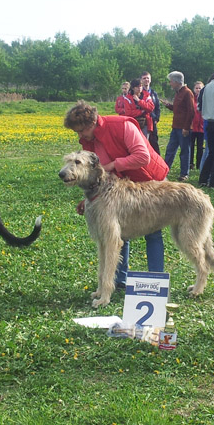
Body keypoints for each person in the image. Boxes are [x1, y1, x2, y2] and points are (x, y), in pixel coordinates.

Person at [63, 100, 168, 288]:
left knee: (153, 231)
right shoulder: (88, 141)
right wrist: (90, 199)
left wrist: (112, 165)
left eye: (81, 131)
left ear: (91, 123)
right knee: (118, 231)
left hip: (150, 180)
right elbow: (95, 175)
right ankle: (120, 280)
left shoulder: (122, 125)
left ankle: (155, 282)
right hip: (121, 186)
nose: (79, 135)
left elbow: (143, 156)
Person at [162, 71, 195, 181]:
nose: (170, 84)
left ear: (176, 82)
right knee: (170, 150)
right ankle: (164, 171)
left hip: (183, 128)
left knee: (184, 151)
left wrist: (186, 127)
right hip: (175, 127)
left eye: (171, 82)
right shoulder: (178, 93)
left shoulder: (187, 93)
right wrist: (169, 106)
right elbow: (179, 109)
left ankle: (184, 173)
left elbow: (191, 111)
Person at [140, 71, 162, 154]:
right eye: (144, 78)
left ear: (150, 80)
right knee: (144, 142)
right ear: (141, 80)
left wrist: (157, 118)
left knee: (154, 141)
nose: (146, 80)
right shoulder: (139, 93)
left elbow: (157, 107)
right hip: (144, 121)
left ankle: (158, 161)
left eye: (147, 78)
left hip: (153, 120)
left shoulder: (153, 93)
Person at [190, 80, 205, 170]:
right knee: (191, 146)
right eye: (197, 88)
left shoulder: (205, 99)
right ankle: (190, 163)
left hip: (202, 127)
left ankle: (199, 164)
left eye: (200, 88)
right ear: (194, 89)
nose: (198, 90)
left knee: (200, 147)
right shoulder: (191, 98)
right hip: (192, 126)